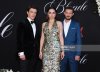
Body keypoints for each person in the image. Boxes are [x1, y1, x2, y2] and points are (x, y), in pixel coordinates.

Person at [39, 7, 64, 72]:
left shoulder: (59, 23)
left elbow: (61, 37)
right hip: (46, 50)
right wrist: (40, 51)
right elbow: (42, 38)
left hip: (56, 50)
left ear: (55, 14)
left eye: (53, 13)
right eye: (50, 13)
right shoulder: (44, 24)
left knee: (55, 68)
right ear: (47, 14)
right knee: (45, 68)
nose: (52, 15)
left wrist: (62, 51)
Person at [17, 5, 40, 72]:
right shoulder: (22, 23)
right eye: (31, 12)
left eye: (35, 12)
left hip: (35, 54)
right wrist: (21, 53)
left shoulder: (37, 24)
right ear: (27, 12)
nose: (33, 14)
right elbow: (19, 39)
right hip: (25, 54)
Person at [60, 7, 82, 72]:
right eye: (66, 12)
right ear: (64, 13)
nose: (68, 14)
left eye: (70, 13)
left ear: (72, 14)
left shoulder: (76, 24)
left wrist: (78, 54)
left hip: (73, 53)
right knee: (61, 70)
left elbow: (79, 40)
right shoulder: (59, 23)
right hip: (61, 53)